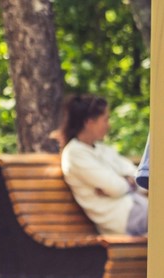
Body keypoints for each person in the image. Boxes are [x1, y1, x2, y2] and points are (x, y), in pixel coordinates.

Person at [58, 94, 148, 237]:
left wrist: (125, 182)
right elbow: (116, 187)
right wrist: (126, 181)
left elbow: (138, 178)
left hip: (140, 208)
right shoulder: (74, 154)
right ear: (89, 122)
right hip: (123, 218)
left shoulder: (102, 149)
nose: (109, 125)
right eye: (105, 119)